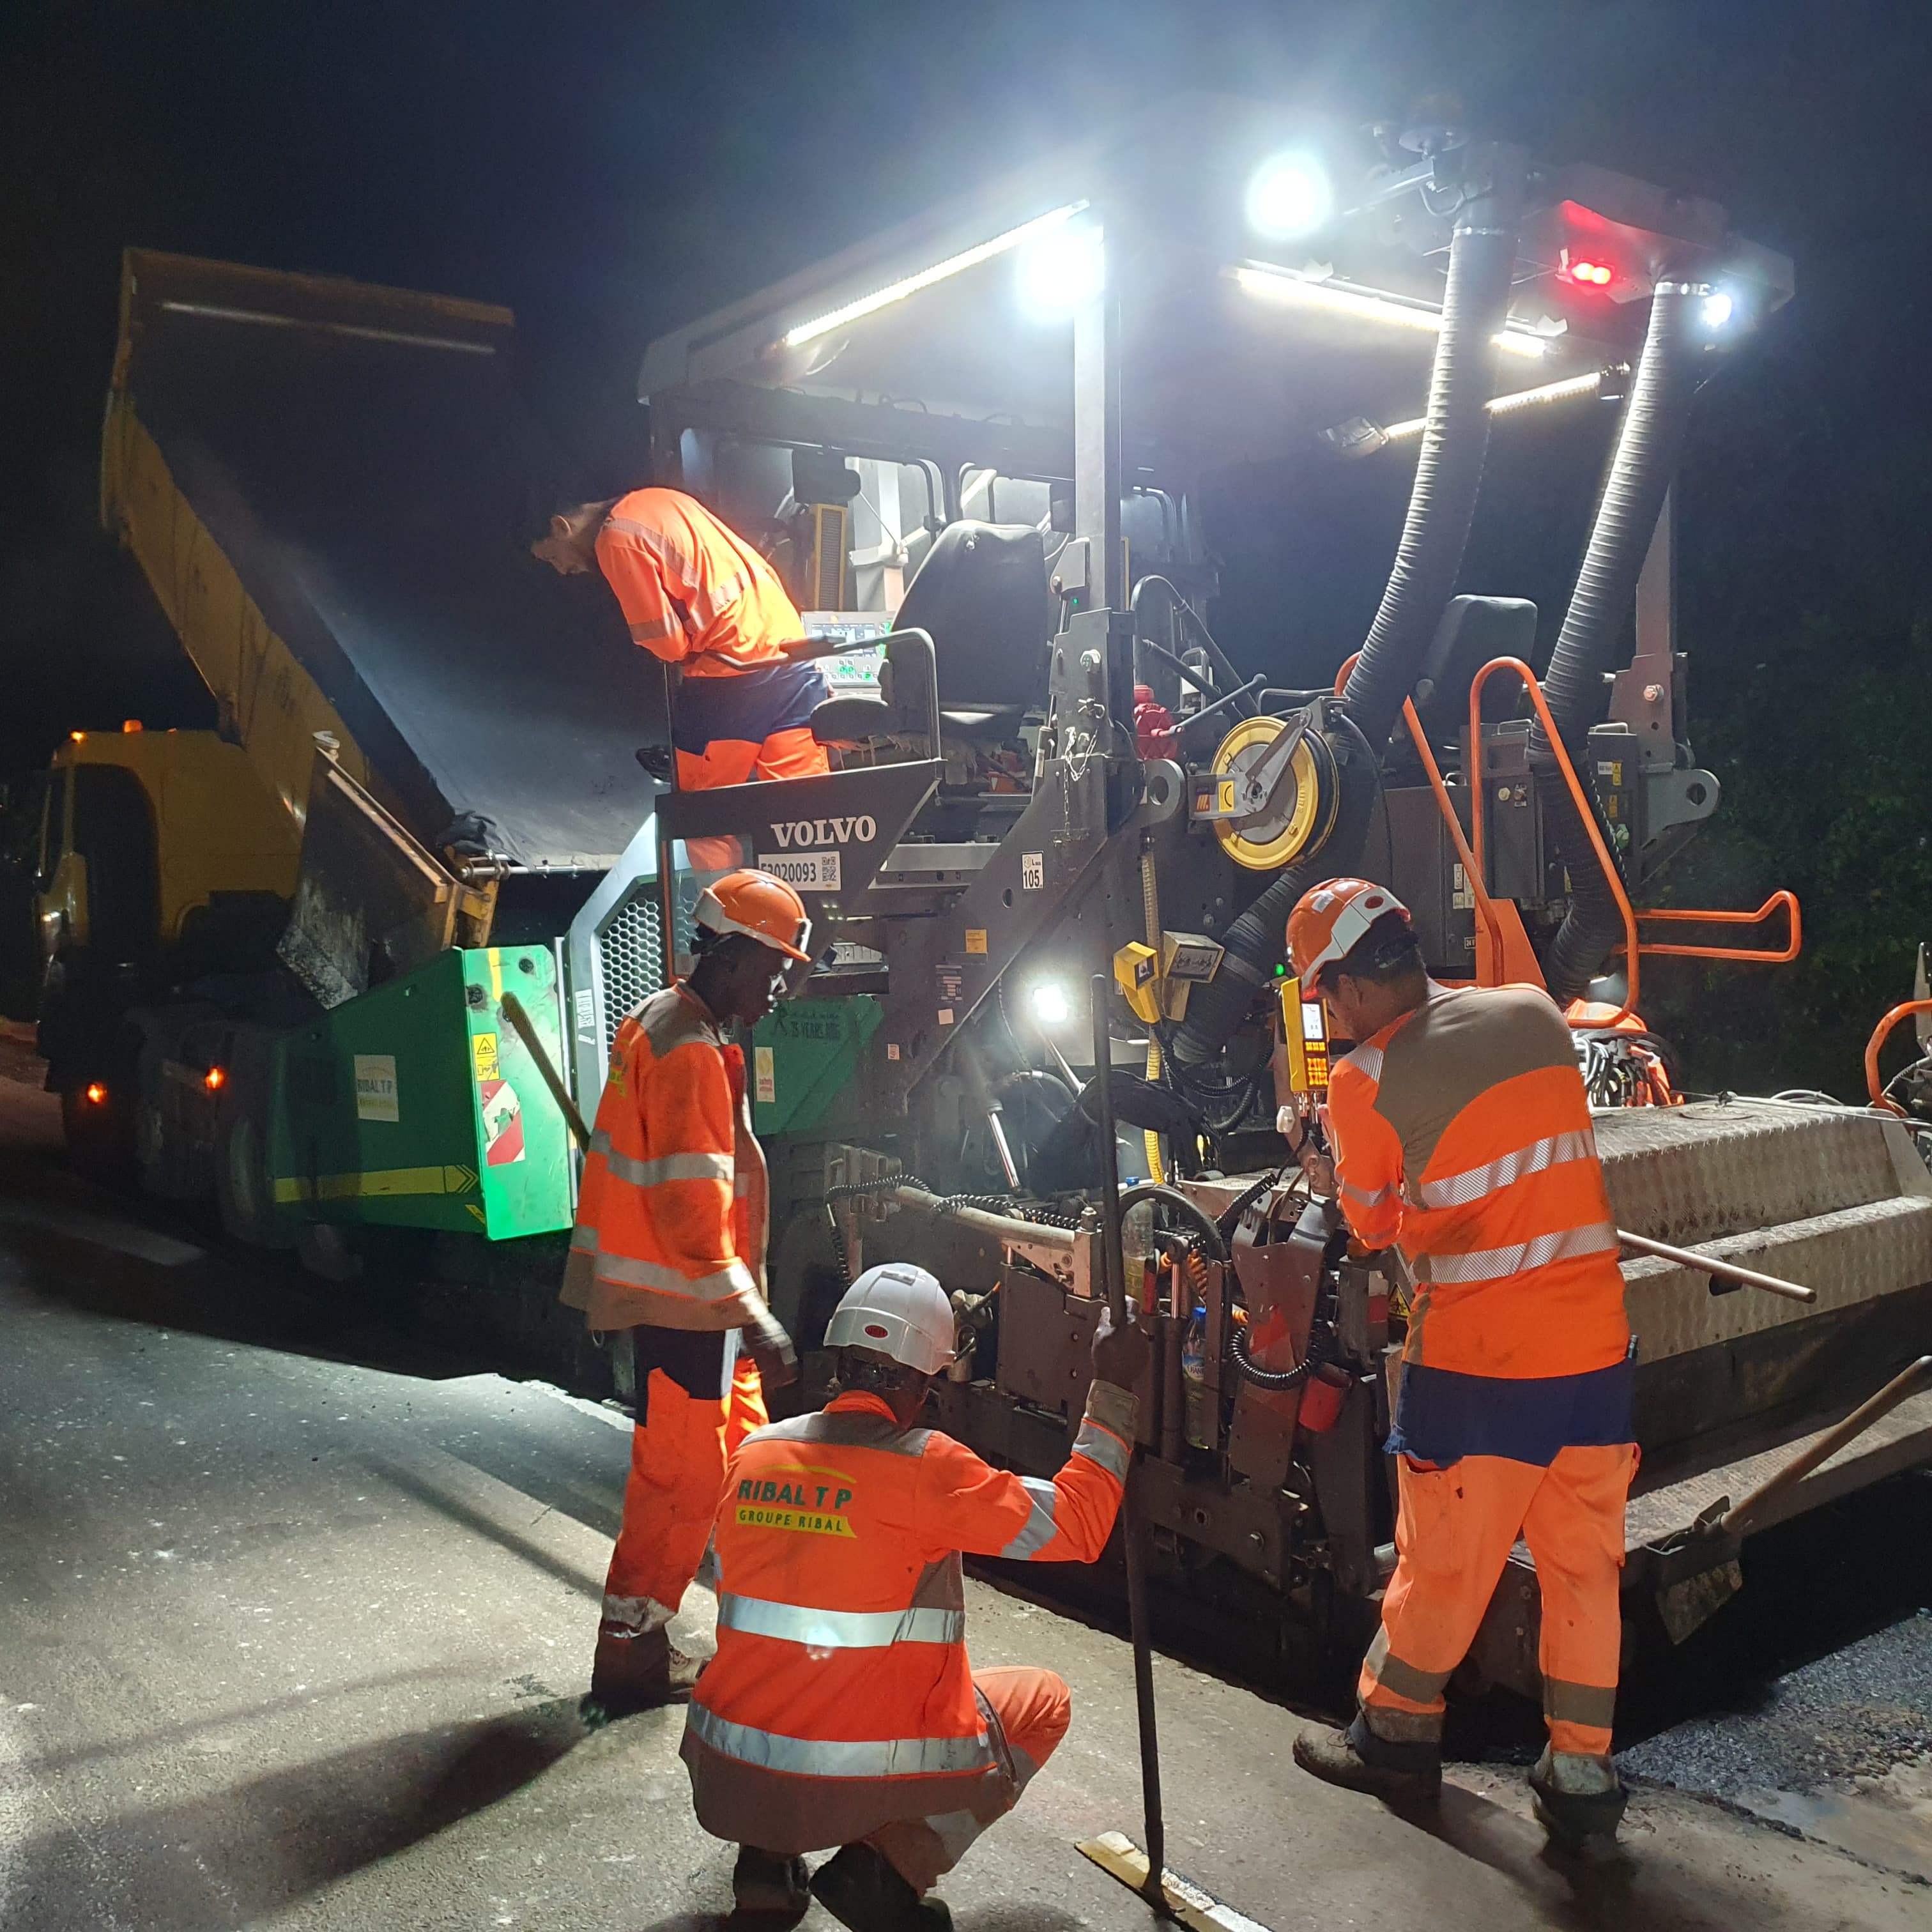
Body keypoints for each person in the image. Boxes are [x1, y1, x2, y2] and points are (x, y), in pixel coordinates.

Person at [1281, 878, 1636, 1851]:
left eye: (1324, 995)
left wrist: (1324, 1157)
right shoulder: (1531, 1013)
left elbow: (1371, 1223)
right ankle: (1580, 1773)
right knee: (1582, 1571)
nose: (1330, 1013)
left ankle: (1395, 1731)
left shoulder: (1362, 1082)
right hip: (1597, 1351)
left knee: (1443, 1564)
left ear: (1348, 988)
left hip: (1483, 1365)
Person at [681, 1262, 1151, 1930]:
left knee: (785, 1665)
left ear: (839, 1362)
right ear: (923, 1384)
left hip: (728, 1773)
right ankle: (888, 1868)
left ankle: (764, 1865)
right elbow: (1079, 1524)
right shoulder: (927, 1467)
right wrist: (1114, 1387)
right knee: (1045, 1701)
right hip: (849, 1784)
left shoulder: (753, 1453)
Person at [562, 868, 815, 1716]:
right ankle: (633, 1649)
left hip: (691, 1308)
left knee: (739, 1462)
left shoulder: (667, 1024)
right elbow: (691, 1219)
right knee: (681, 1481)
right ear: (736, 957)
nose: (780, 990)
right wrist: (759, 1317)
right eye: (776, 970)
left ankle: (748, 1628)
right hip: (686, 1306)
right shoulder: (690, 1053)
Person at [532, 485, 832, 792]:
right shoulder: (659, 499)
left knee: (704, 811)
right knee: (803, 806)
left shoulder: (617, 539)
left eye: (553, 557)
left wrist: (681, 648)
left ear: (561, 526)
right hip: (790, 649)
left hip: (732, 667)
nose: (562, 570)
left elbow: (667, 643)